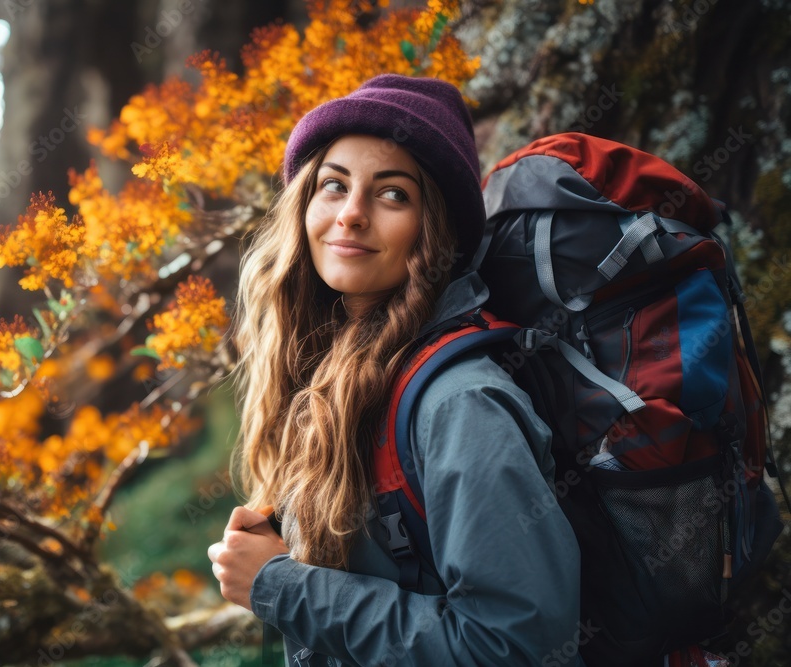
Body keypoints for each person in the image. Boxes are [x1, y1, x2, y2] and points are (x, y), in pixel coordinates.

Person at [207, 74, 583, 667]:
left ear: (434, 233)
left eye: (392, 195)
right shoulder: (335, 376)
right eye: (334, 185)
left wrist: (282, 585)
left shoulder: (461, 404)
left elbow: (512, 646)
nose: (351, 214)